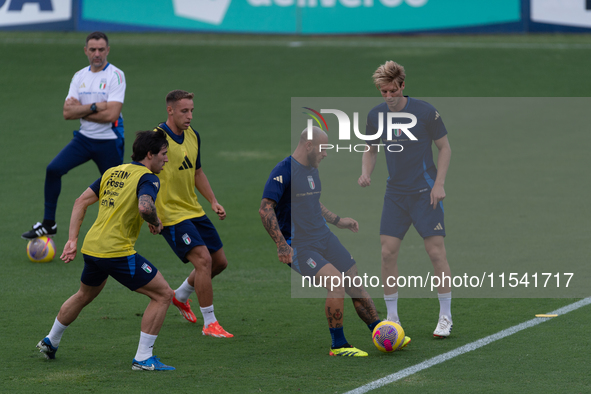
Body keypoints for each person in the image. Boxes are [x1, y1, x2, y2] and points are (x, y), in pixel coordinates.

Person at [259, 126, 410, 356]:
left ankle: (380, 330)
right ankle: (338, 345)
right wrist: (281, 244)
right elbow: (265, 208)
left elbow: (313, 202)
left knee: (353, 281)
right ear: (309, 146)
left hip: (324, 237)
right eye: (323, 148)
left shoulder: (311, 168)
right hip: (300, 245)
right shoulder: (284, 171)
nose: (326, 154)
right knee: (335, 282)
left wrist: (338, 220)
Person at [36, 129, 176, 371]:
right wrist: (155, 222)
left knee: (84, 295)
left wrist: (72, 240)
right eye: (163, 154)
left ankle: (51, 340)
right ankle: (143, 358)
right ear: (150, 154)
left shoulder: (113, 171)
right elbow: (145, 207)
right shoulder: (149, 178)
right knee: (163, 294)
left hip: (92, 248)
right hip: (116, 251)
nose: (166, 159)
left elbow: (80, 201)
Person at [358, 61, 453, 338]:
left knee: (436, 253)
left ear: (402, 86)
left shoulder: (425, 113)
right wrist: (365, 172)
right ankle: (392, 318)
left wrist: (439, 184)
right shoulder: (376, 115)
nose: (388, 97)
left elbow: (445, 148)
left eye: (392, 91)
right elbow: (370, 149)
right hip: (395, 194)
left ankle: (445, 317)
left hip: (425, 192)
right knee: (387, 253)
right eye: (383, 92)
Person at [22, 31, 126, 240]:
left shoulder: (116, 75)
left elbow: (112, 114)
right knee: (53, 170)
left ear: (108, 50)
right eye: (93, 49)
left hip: (109, 140)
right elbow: (67, 113)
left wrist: (83, 110)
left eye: (101, 49)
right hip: (84, 139)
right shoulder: (79, 76)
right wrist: (97, 106)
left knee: (115, 189)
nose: (97, 54)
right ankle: (49, 224)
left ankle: (115, 231)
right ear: (86, 50)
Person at [152, 90, 232, 338]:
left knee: (219, 262)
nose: (189, 116)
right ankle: (210, 323)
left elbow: (197, 172)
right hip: (170, 215)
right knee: (203, 261)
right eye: (184, 111)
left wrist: (213, 201)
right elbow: (142, 175)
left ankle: (181, 295)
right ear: (170, 110)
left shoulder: (193, 136)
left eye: (192, 111)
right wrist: (150, 214)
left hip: (193, 209)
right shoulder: (156, 139)